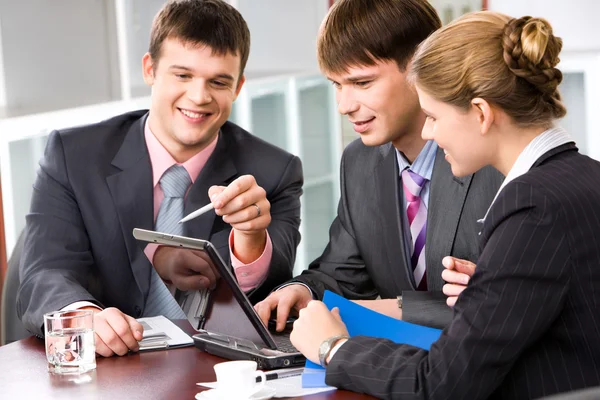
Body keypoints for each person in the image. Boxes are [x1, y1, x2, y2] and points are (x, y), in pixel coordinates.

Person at [290, 11, 600, 399]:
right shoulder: (585, 176)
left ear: (482, 113)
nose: (428, 131)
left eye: (434, 116)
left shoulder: (529, 204)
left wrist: (332, 348)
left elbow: (439, 384)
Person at [17, 0, 303, 357]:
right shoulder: (73, 155)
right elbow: (44, 273)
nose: (199, 97)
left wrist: (249, 237)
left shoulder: (275, 171)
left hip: (218, 372)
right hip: (107, 370)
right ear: (149, 69)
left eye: (218, 81)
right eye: (182, 75)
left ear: (239, 86)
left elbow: (271, 297)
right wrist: (85, 315)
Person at [254, 0, 502, 331]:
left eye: (361, 83)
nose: (344, 105)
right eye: (337, 85)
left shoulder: (493, 159)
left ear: (419, 67)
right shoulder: (359, 161)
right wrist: (302, 291)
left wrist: (396, 308)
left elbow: (504, 299)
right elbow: (342, 273)